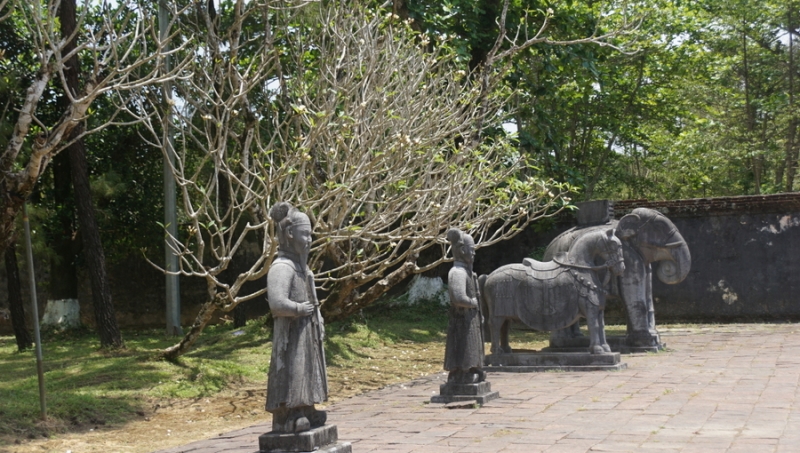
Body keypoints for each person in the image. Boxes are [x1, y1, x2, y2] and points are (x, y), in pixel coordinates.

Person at [266, 202, 327, 433]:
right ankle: (290, 412)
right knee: (294, 368)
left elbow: (314, 300)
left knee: (309, 368)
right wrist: (299, 309)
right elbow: (277, 303)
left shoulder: (303, 269)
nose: (310, 240)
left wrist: (317, 319)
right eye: (306, 234)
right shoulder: (282, 267)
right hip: (292, 334)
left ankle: (307, 405)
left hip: (307, 330)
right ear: (290, 234)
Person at [444, 228, 485, 384]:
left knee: (471, 345)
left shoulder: (468, 272)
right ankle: (461, 372)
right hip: (462, 319)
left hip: (470, 320)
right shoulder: (458, 272)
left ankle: (472, 368)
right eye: (472, 250)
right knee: (463, 346)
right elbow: (458, 297)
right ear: (462, 250)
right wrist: (471, 303)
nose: (474, 254)